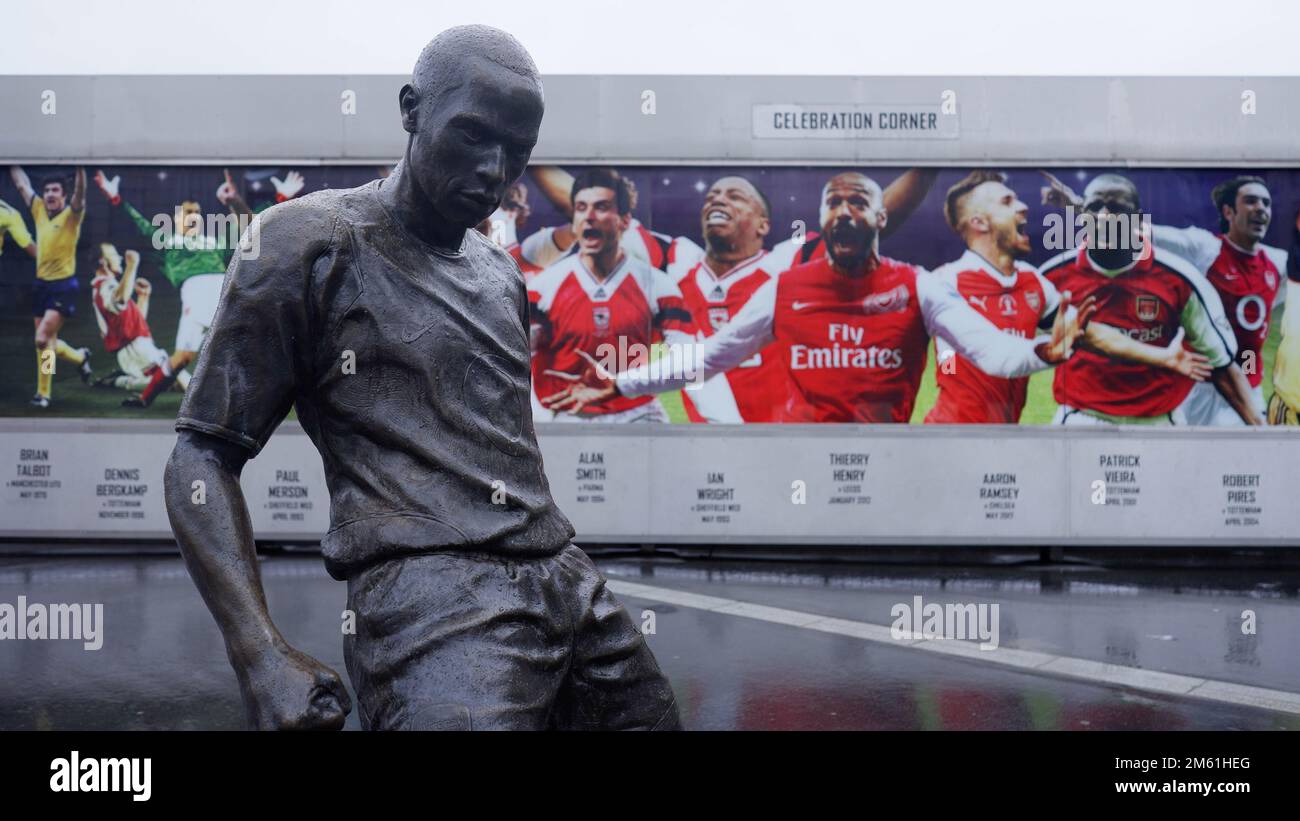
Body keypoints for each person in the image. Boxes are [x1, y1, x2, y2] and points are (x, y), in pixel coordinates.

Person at [165, 25, 680, 731]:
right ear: (412, 109)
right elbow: (199, 457)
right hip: (430, 597)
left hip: (565, 575)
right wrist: (259, 654)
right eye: (472, 137)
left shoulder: (499, 272)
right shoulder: (304, 243)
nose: (495, 172)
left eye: (517, 153)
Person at [542, 172, 1096, 422]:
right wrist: (619, 381)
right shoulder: (782, 288)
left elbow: (989, 349)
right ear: (823, 217)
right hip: (792, 459)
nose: (844, 210)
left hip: (884, 456)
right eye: (834, 201)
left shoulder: (915, 286)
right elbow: (709, 357)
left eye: (858, 201)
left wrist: (1039, 353)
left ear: (880, 217)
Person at [926, 171, 1209, 423]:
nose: (1024, 207)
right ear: (979, 222)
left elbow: (1090, 334)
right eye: (1007, 202)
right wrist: (948, 366)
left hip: (1005, 432)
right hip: (952, 430)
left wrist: (1165, 357)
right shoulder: (943, 282)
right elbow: (993, 354)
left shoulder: (1033, 282)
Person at [1039, 173, 1259, 425]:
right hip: (1080, 418)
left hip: (1159, 421)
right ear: (1082, 215)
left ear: (1138, 220)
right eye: (1095, 208)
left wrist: (1262, 434)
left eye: (1119, 210)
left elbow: (1222, 365)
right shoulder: (1054, 275)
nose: (1105, 217)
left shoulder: (1180, 279)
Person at [527, 168, 695, 422]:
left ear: (625, 221)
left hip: (637, 415)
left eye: (602, 207)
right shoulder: (543, 287)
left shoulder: (660, 287)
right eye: (581, 208)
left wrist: (622, 383)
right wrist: (538, 417)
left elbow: (689, 367)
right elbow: (513, 362)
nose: (589, 217)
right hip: (566, 415)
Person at [10, 166, 92, 408]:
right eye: (46, 190)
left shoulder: (71, 216)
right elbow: (22, 184)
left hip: (63, 287)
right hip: (41, 286)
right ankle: (54, 383)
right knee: (46, 343)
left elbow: (81, 193)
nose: (50, 194)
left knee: (42, 338)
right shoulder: (38, 209)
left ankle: (50, 388)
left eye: (55, 190)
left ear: (63, 195)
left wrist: (81, 167)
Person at [87, 243, 183, 401]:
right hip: (135, 350)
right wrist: (132, 266)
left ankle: (120, 379)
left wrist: (143, 297)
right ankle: (120, 381)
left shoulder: (106, 286)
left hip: (136, 349)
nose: (119, 259)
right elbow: (121, 298)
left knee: (171, 378)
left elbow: (132, 322)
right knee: (170, 378)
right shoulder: (106, 285)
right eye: (114, 256)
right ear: (103, 262)